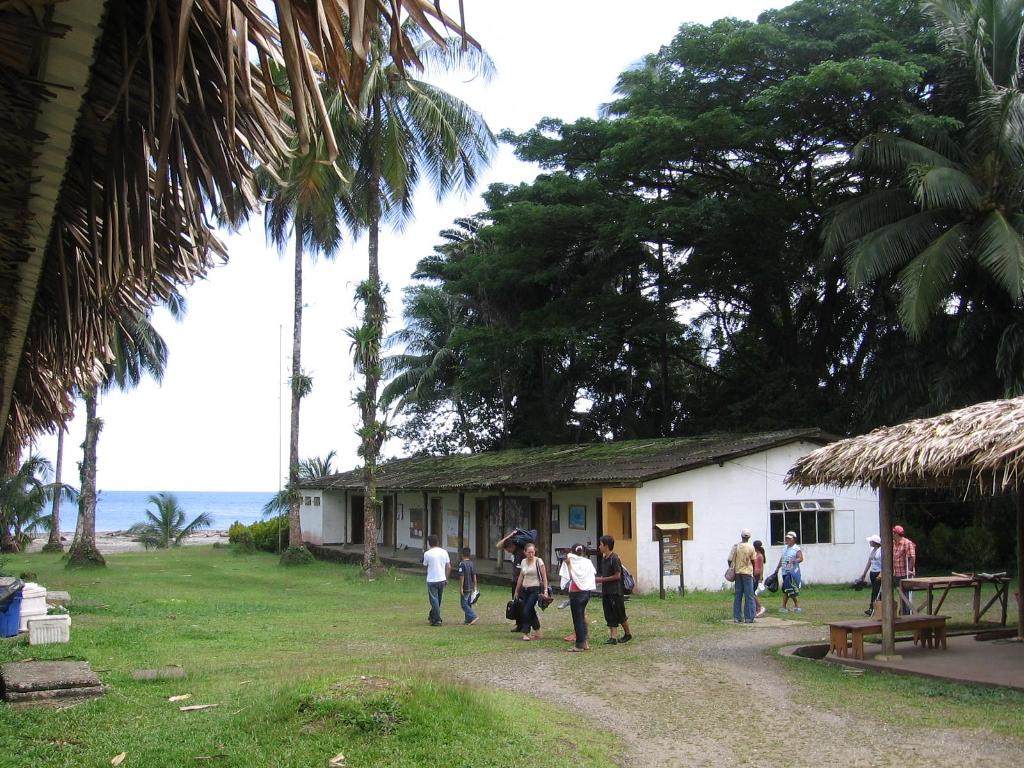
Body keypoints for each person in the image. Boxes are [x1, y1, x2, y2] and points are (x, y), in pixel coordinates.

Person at [595, 534, 633, 644]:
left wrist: (602, 580)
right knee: (609, 614)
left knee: (620, 614)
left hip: (615, 591)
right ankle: (613, 637)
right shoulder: (604, 558)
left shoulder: (614, 558)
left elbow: (617, 575)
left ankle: (628, 634)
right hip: (606, 591)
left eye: (601, 544)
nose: (599, 547)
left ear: (606, 546)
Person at [559, 543, 597, 652]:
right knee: (581, 617)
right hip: (586, 593)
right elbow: (592, 574)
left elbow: (572, 576)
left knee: (578, 620)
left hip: (576, 594)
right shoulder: (587, 562)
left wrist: (569, 564)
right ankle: (584, 643)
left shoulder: (570, 561)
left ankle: (579, 645)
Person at [497, 528, 535, 633]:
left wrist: (520, 586)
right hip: (515, 581)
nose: (507, 551)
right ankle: (519, 624)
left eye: (508, 549)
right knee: (516, 603)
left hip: (522, 583)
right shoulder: (514, 550)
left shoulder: (520, 553)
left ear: (512, 546)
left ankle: (526, 625)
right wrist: (509, 536)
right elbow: (498, 546)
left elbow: (522, 573)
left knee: (523, 604)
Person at [513, 542, 549, 640]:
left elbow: (544, 577)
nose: (531, 554)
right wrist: (516, 590)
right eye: (529, 552)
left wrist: (545, 590)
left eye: (533, 552)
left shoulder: (539, 561)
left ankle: (526, 632)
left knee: (526, 610)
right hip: (525, 589)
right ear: (525, 552)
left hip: (535, 589)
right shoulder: (523, 561)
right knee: (530, 610)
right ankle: (538, 631)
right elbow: (521, 576)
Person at [729, 529, 757, 623]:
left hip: (738, 573)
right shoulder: (751, 547)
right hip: (748, 573)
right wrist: (754, 572)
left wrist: (732, 568)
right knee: (749, 595)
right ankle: (749, 617)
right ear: (749, 537)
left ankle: (737, 617)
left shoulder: (736, 546)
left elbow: (729, 559)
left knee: (738, 595)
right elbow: (753, 560)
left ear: (741, 536)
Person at [423, 534, 451, 626]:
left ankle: (437, 619)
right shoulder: (444, 552)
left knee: (434, 600)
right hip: (442, 579)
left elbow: (425, 565)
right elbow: (449, 566)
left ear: (429, 543)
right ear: (438, 542)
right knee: (438, 600)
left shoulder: (427, 554)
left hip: (432, 579)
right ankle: (432, 615)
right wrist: (446, 578)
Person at [775, 531, 803, 613]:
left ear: (794, 539)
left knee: (788, 589)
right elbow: (782, 558)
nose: (787, 540)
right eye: (786, 538)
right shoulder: (785, 548)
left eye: (789, 539)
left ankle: (792, 606)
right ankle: (790, 607)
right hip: (784, 571)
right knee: (787, 589)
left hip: (791, 572)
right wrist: (778, 567)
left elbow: (800, 558)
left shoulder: (796, 548)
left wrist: (793, 561)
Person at [892, 524, 917, 615]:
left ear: (897, 534)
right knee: (900, 593)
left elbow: (912, 557)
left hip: (905, 573)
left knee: (906, 593)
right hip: (897, 573)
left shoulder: (907, 543)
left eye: (893, 532)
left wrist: (909, 570)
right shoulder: (893, 543)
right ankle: (903, 610)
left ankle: (907, 611)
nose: (892, 534)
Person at [857, 534, 883, 616]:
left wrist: (881, 574)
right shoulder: (872, 550)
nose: (869, 542)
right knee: (877, 591)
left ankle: (872, 609)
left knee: (876, 591)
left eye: (871, 541)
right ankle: (879, 608)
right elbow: (869, 562)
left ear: (875, 542)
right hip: (873, 572)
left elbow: (884, 563)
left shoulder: (881, 550)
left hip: (879, 573)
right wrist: (864, 573)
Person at [457, 547, 479, 625]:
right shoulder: (471, 563)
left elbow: (462, 576)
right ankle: (468, 619)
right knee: (468, 603)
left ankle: (473, 616)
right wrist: (475, 586)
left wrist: (461, 587)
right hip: (470, 586)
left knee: (463, 604)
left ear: (462, 555)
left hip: (465, 587)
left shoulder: (462, 564)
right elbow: (474, 575)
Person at [752, 539, 767, 618]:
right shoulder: (756, 555)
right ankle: (756, 608)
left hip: (757, 576)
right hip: (754, 575)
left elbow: (761, 568)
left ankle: (760, 607)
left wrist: (760, 578)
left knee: (753, 593)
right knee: (752, 593)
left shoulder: (760, 555)